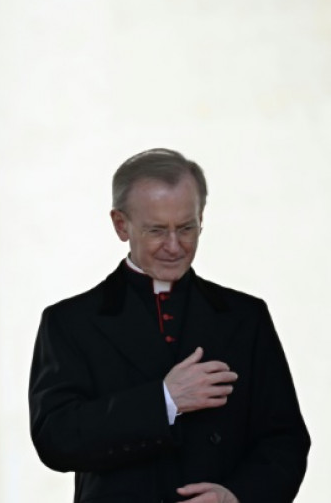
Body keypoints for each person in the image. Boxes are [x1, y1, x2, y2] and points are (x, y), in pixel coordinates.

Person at [28, 148, 310, 503]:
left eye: (187, 228)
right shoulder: (70, 322)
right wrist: (164, 401)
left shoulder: (245, 316)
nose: (174, 247)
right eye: (157, 231)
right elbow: (56, 439)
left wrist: (238, 496)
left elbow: (285, 440)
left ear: (201, 218)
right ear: (121, 224)